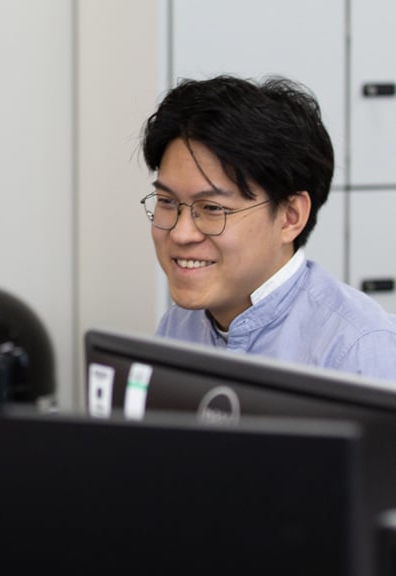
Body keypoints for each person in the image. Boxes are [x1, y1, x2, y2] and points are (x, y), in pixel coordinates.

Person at [139, 74, 396, 382]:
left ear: (290, 216)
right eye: (167, 202)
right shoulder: (179, 326)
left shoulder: (359, 349)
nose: (180, 234)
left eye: (212, 209)